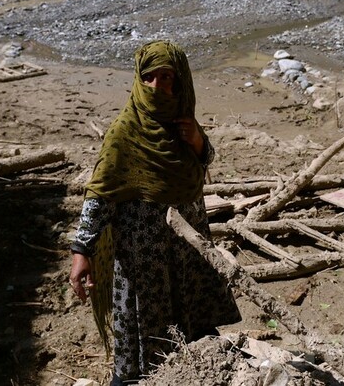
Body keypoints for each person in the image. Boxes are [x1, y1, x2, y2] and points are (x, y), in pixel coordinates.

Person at [69, 40, 241, 385]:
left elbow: (203, 161)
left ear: (179, 82)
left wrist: (197, 141)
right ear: (138, 79)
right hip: (142, 255)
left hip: (188, 251)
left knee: (193, 325)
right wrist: (81, 250)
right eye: (150, 78)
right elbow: (101, 193)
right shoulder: (124, 132)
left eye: (166, 77)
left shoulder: (183, 122)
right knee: (143, 332)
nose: (157, 86)